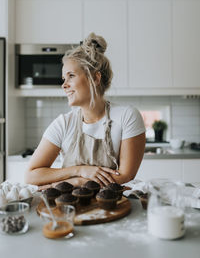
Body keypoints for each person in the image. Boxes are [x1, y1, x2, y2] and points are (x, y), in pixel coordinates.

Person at [25, 33, 146, 188]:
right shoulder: (63, 123)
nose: (64, 85)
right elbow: (31, 175)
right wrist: (80, 172)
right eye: (64, 79)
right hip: (69, 210)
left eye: (71, 76)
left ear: (95, 78)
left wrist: (72, 183)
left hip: (110, 208)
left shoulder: (126, 116)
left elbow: (125, 176)